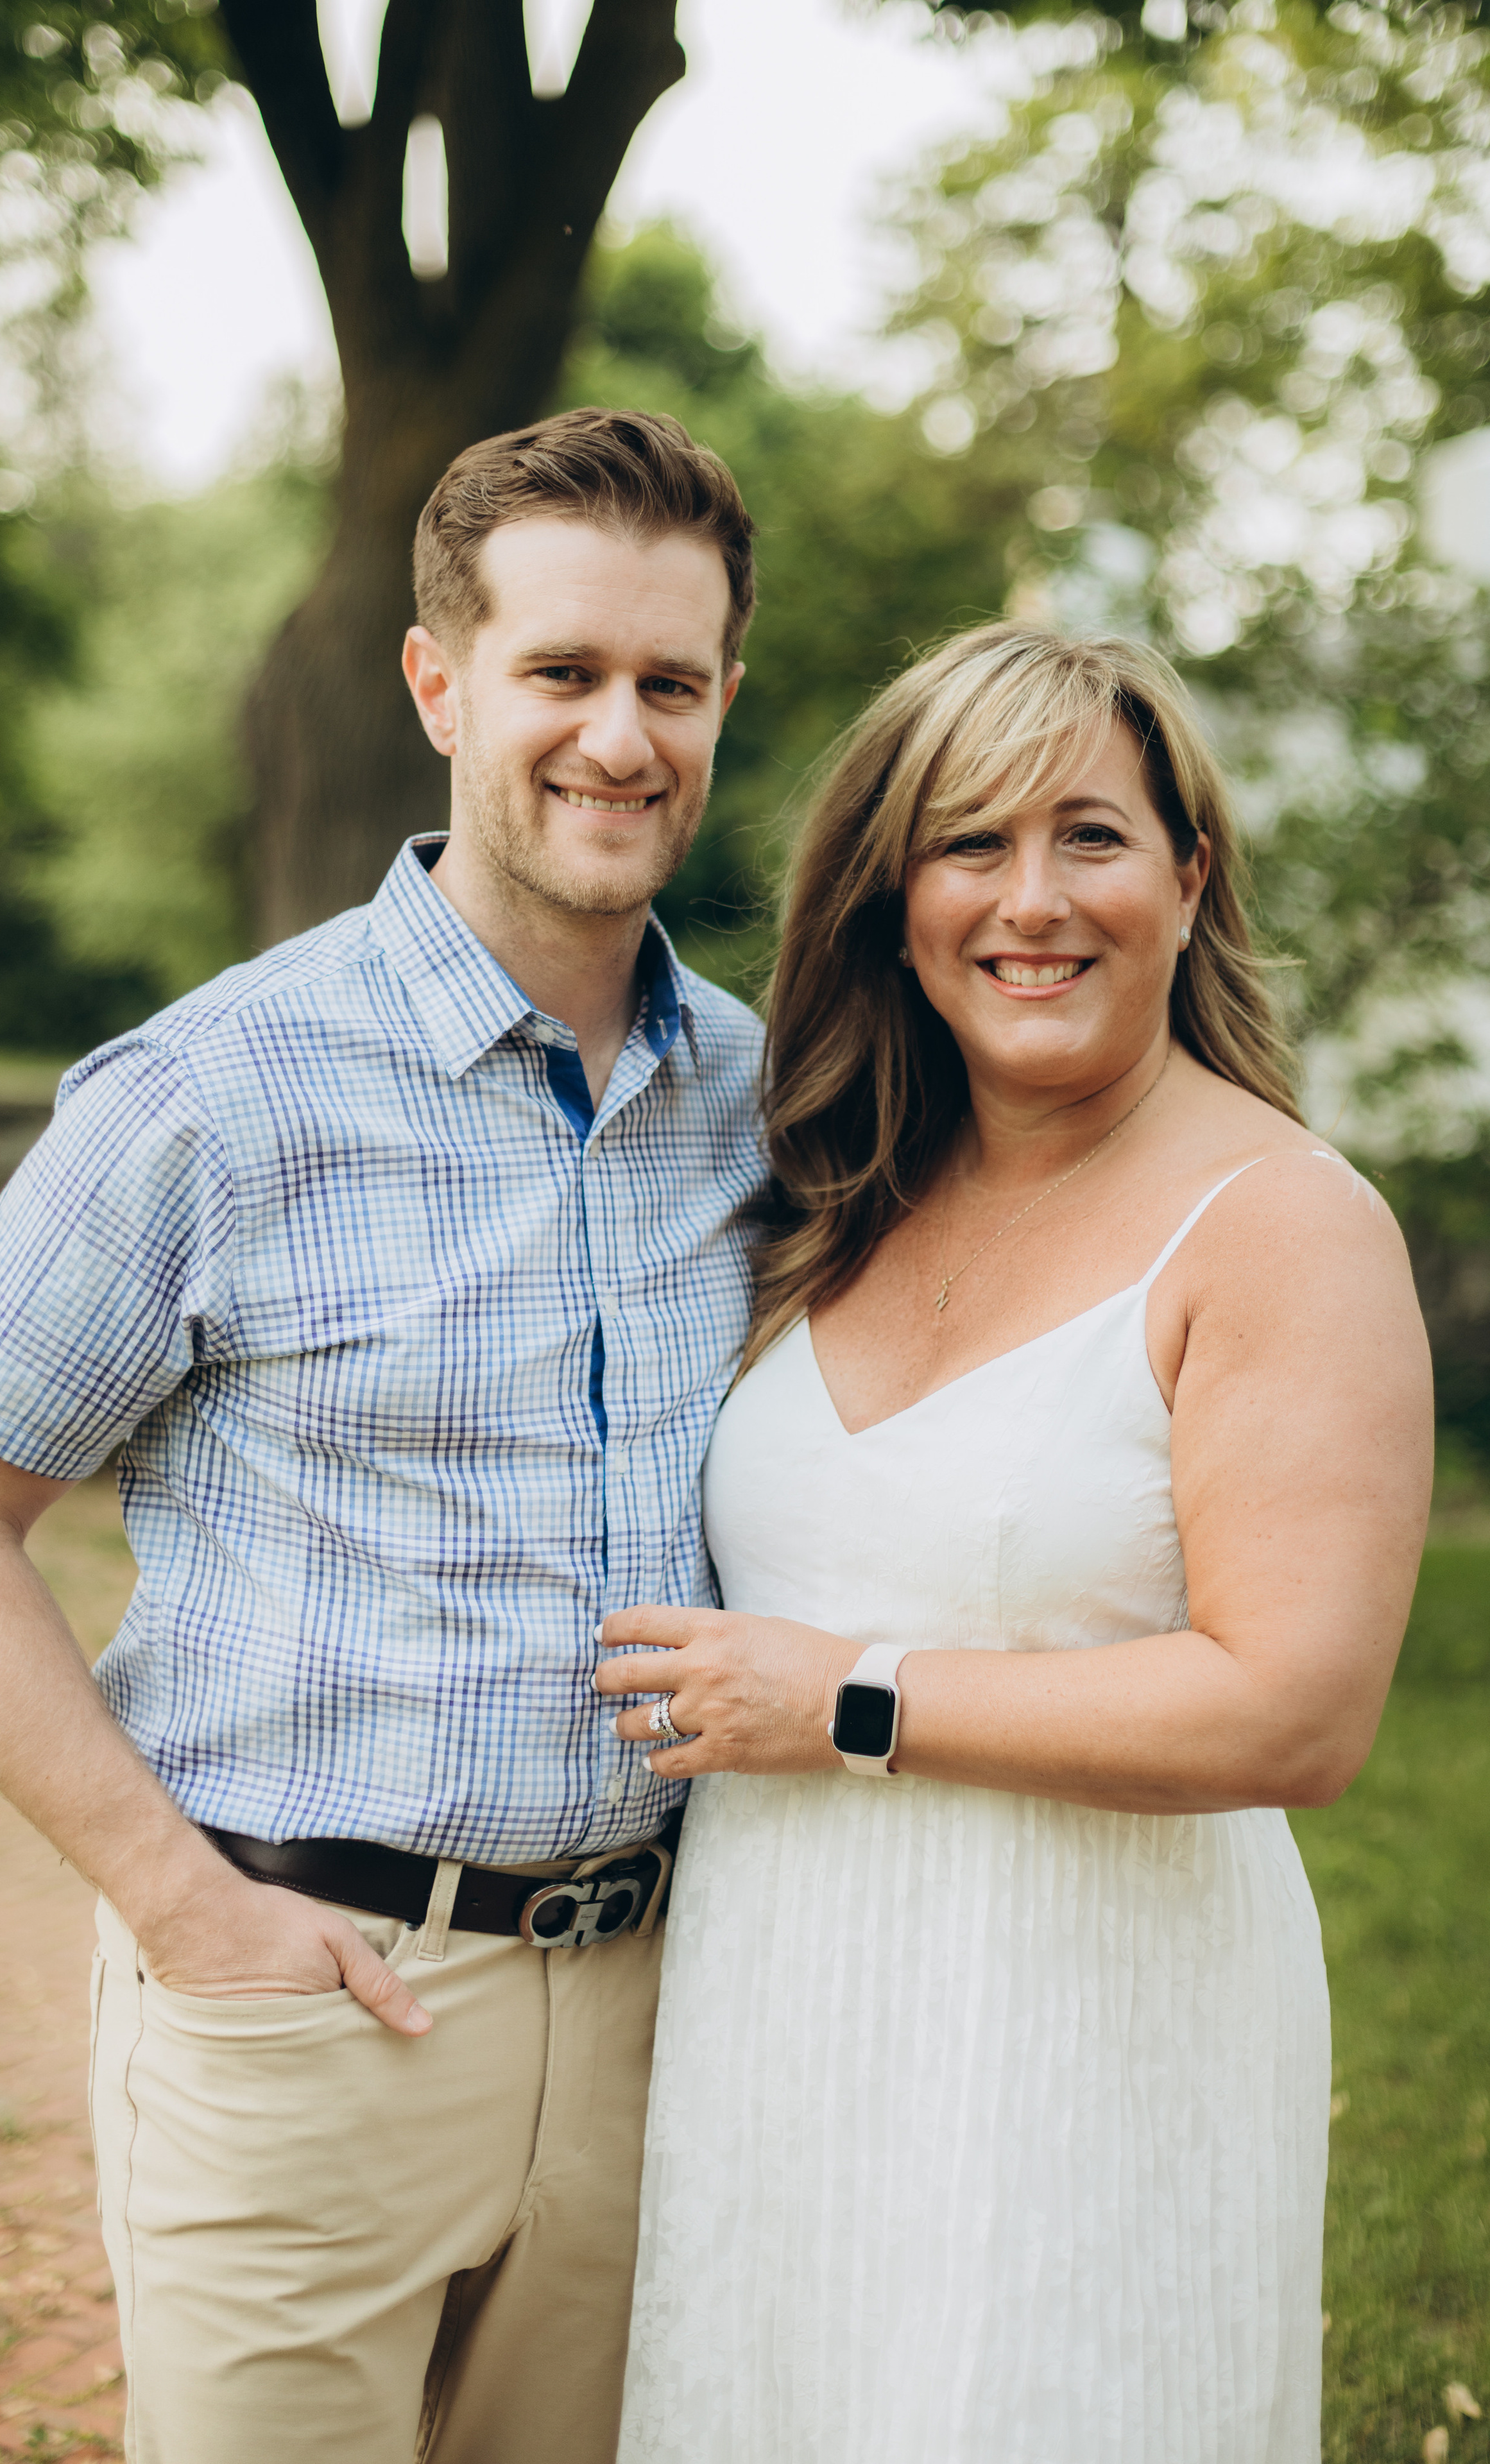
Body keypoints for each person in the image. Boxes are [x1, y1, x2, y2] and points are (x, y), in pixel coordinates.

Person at [0, 407, 767, 2464]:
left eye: (670, 684)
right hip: (311, 1993)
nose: (620, 737)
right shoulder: (211, 1092)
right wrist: (185, 1913)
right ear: (442, 683)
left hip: (651, 2004)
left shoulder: (761, 1098)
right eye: (563, 672)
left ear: (722, 705)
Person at [596, 624, 1433, 2464]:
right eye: (970, 845)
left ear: (1191, 876)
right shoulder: (837, 1193)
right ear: (894, 899)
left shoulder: (1282, 1228)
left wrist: (859, 1704)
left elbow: (1294, 1713)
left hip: (1090, 2043)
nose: (1030, 901)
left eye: (1093, 839)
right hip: (782, 2017)